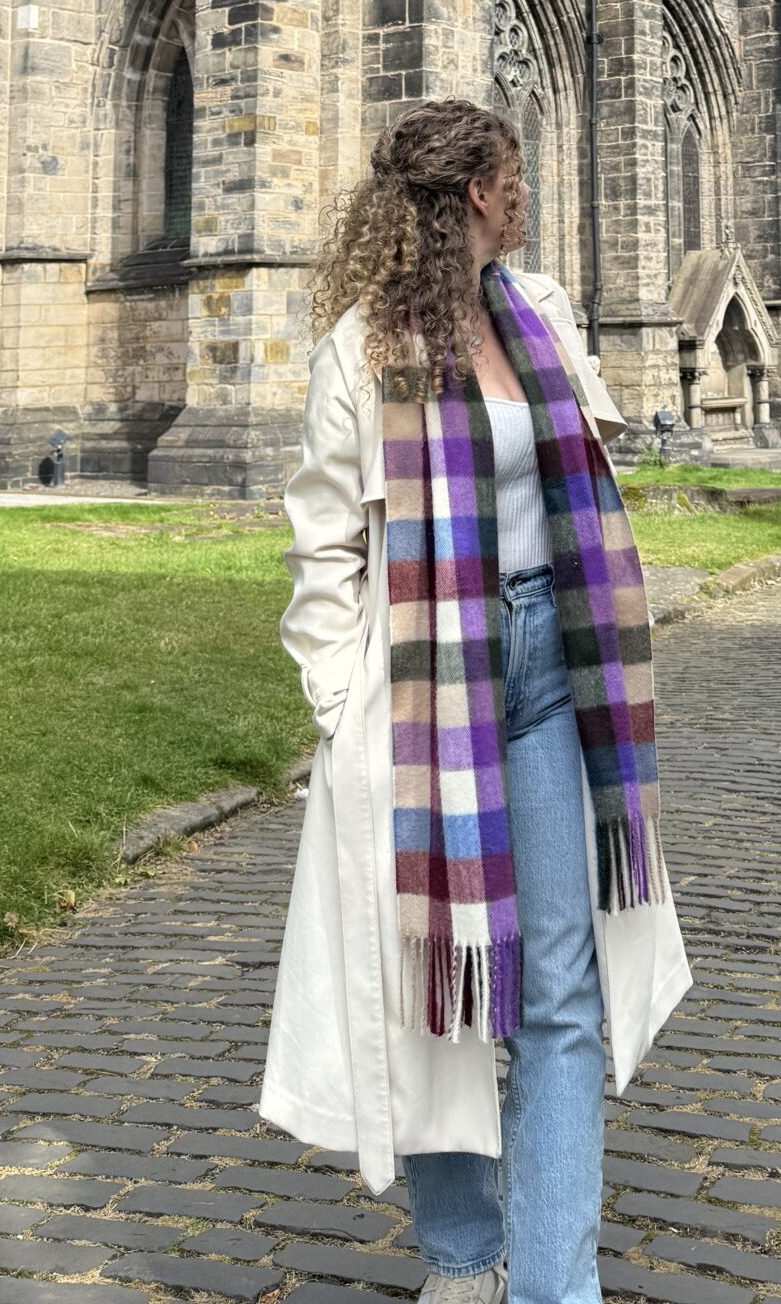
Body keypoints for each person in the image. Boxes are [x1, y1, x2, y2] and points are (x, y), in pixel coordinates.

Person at [261, 100, 690, 1304]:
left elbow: (592, 459)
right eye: (514, 175)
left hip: (551, 662)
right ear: (472, 198)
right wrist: (342, 700)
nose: (528, 190)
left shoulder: (538, 315)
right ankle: (462, 1261)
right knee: (439, 988)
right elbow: (323, 545)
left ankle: (557, 1288)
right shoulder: (363, 347)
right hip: (423, 683)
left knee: (558, 995)